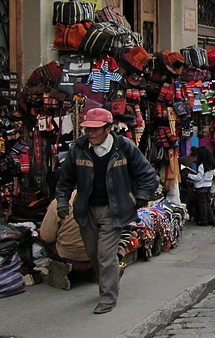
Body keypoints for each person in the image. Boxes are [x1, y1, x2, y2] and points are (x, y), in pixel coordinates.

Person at [55, 108, 158, 314]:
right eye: (87, 130)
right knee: (93, 253)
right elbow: (65, 180)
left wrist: (141, 197)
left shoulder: (124, 147)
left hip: (114, 208)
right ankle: (112, 272)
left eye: (95, 130)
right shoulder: (79, 149)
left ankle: (108, 297)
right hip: (87, 210)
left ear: (108, 129)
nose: (90, 134)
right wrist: (62, 203)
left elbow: (147, 174)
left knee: (105, 254)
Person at [186, 147, 215, 226]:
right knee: (207, 203)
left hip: (201, 187)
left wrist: (189, 175)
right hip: (208, 185)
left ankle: (204, 220)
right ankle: (212, 219)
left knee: (202, 204)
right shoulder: (211, 165)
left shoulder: (201, 166)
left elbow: (199, 178)